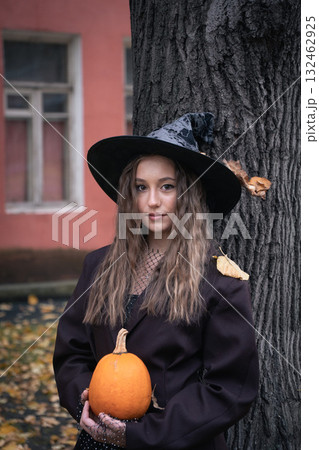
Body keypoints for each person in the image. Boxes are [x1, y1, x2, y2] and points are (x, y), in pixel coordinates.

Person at [53, 112, 259, 449]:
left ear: (188, 194)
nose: (151, 201)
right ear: (129, 195)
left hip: (174, 442)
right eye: (140, 187)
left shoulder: (220, 280)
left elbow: (230, 389)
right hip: (98, 439)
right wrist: (87, 405)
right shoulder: (98, 265)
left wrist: (142, 434)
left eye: (166, 186)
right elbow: (71, 353)